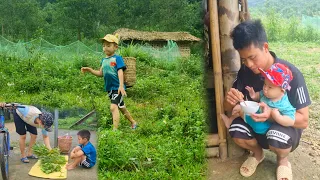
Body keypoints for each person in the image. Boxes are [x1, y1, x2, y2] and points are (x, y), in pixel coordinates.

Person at [224, 20, 311, 180]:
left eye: (252, 57)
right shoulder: (245, 72)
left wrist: (272, 115)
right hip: (257, 125)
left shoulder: (290, 74)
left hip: (282, 128)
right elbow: (233, 106)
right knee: (236, 130)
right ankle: (257, 154)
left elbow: (303, 120)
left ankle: (283, 161)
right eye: (244, 59)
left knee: (277, 136)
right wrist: (231, 101)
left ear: (265, 47)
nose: (249, 64)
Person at [81, 34, 137, 130]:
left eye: (108, 45)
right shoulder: (104, 60)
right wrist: (90, 70)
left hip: (117, 88)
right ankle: (133, 122)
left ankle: (114, 131)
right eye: (103, 46)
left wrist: (120, 86)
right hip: (110, 89)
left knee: (113, 107)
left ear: (115, 47)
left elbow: (120, 72)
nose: (105, 48)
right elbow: (100, 73)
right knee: (122, 108)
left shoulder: (117, 58)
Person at [221, 63, 296, 134]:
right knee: (239, 108)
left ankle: (235, 118)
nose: (265, 88)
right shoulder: (266, 94)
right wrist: (254, 95)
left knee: (240, 110)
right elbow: (259, 95)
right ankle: (229, 121)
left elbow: (291, 121)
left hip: (262, 126)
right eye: (265, 84)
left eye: (270, 87)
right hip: (257, 117)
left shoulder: (284, 104)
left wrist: (278, 117)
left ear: (282, 90)